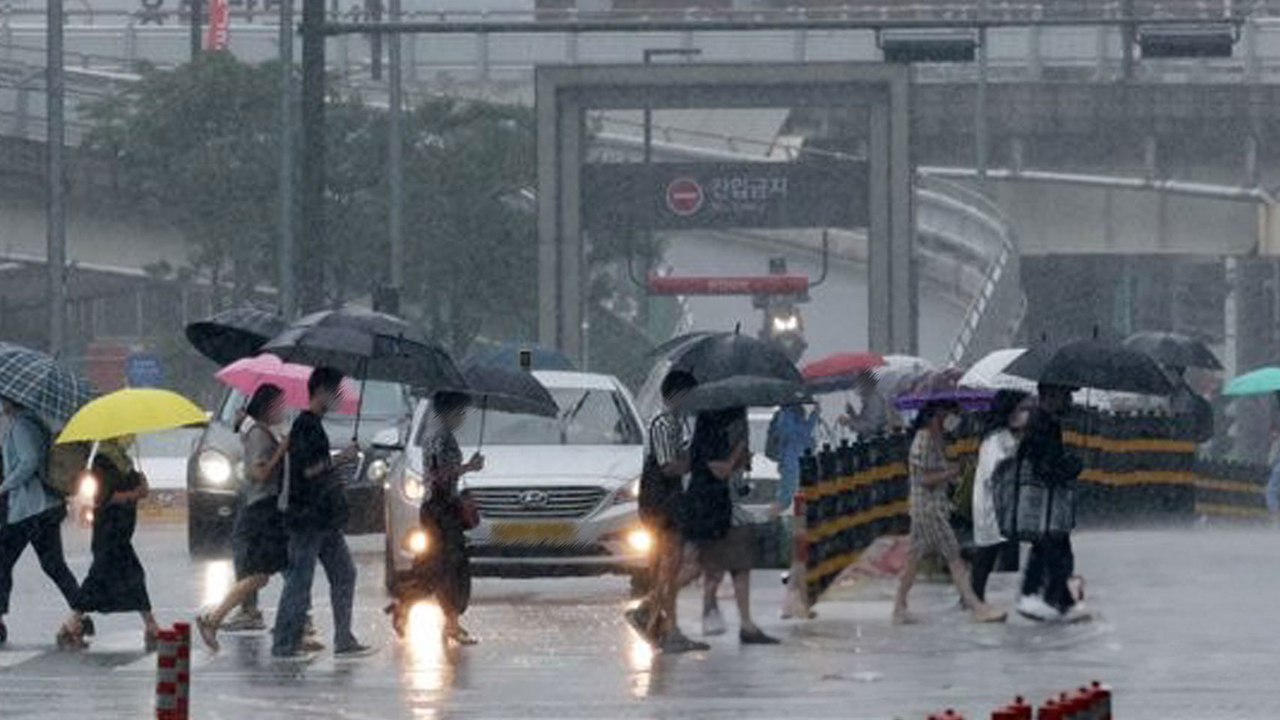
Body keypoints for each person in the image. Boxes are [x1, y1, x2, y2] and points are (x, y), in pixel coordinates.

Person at [271, 367, 372, 659]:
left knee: (344, 574)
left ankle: (343, 638)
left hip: (324, 517)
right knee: (300, 581)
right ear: (322, 391)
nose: (340, 397)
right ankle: (284, 643)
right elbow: (308, 470)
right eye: (336, 391)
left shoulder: (314, 425)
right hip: (307, 518)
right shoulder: (306, 425)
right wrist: (342, 459)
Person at [892, 400, 1006, 625]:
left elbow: (934, 472)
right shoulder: (923, 440)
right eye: (950, 414)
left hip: (930, 506)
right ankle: (976, 606)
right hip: (928, 508)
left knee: (914, 558)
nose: (954, 420)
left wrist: (953, 471)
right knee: (954, 556)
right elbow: (922, 478)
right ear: (938, 415)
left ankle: (899, 607)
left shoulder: (935, 439)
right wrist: (950, 472)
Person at [197, 384, 292, 652]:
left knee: (269, 572)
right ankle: (214, 619)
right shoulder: (259, 435)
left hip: (265, 507)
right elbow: (258, 473)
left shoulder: (258, 432)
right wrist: (282, 450)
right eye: (279, 405)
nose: (283, 410)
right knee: (261, 574)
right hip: (261, 509)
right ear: (268, 406)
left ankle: (215, 619)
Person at [390, 390, 482, 646]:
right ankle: (405, 606)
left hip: (444, 508)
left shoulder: (440, 435)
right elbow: (437, 476)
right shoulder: (439, 437)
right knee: (437, 568)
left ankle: (451, 623)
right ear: (449, 412)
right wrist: (468, 467)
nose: (462, 418)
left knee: (450, 568)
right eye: (460, 412)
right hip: (439, 510)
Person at [626, 370, 708, 653]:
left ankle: (666, 626)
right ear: (676, 395)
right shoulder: (663, 423)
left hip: (669, 501)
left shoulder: (676, 423)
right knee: (670, 564)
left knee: (669, 565)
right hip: (662, 503)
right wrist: (695, 462)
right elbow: (667, 466)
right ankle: (649, 612)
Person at [685, 406, 779, 645]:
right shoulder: (712, 429)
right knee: (704, 565)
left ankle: (744, 623)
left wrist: (741, 455)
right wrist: (737, 453)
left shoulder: (727, 422)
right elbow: (720, 470)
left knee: (736, 565)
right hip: (712, 506)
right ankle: (654, 604)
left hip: (726, 506)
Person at [0, 396, 81, 647]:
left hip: (28, 508)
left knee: (2, 561)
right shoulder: (36, 422)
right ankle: (80, 610)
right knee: (53, 564)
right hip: (46, 506)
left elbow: (29, 460)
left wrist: (4, 485)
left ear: (10, 401)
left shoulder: (21, 425)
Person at [68, 437, 160, 650]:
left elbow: (134, 488)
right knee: (113, 576)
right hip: (109, 531)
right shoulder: (102, 462)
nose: (130, 438)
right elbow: (103, 497)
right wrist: (133, 494)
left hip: (121, 530)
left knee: (122, 576)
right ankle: (71, 623)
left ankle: (72, 622)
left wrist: (141, 483)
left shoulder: (124, 461)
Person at [1017, 383, 1088, 623]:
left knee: (1047, 549)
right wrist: (1071, 466)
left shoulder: (1044, 421)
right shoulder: (1042, 425)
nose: (1069, 400)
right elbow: (1045, 466)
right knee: (1057, 552)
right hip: (1045, 503)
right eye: (1066, 395)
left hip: (1047, 506)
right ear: (1051, 396)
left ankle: (1051, 599)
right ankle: (1053, 600)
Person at [970, 390, 1033, 603]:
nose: (1027, 415)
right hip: (992, 505)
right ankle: (974, 598)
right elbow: (995, 472)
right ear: (1009, 412)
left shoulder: (1019, 438)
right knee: (986, 551)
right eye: (1023, 409)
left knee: (995, 550)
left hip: (1010, 505)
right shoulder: (994, 441)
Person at [768, 403, 821, 518]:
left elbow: (804, 432)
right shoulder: (787, 419)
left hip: (794, 464)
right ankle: (770, 518)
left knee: (796, 496)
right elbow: (802, 433)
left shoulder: (787, 417)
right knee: (786, 498)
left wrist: (815, 414)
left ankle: (793, 521)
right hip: (791, 465)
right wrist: (814, 415)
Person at [838, 372, 889, 439]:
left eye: (859, 384)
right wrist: (852, 414)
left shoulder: (874, 401)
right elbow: (865, 420)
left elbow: (871, 426)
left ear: (866, 384)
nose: (857, 388)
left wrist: (849, 421)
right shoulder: (869, 399)